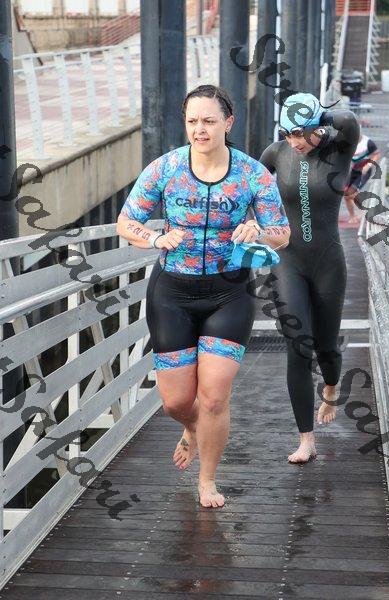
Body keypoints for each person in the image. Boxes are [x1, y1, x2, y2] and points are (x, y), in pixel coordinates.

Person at [116, 84, 290, 508]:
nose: (200, 129)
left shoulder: (252, 174)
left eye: (209, 121)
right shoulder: (165, 169)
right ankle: (192, 428)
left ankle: (207, 480)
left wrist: (258, 230)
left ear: (228, 123)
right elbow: (126, 221)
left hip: (229, 292)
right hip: (172, 292)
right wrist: (154, 238)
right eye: (192, 121)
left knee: (213, 396)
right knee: (176, 401)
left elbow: (282, 233)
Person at [259, 92, 360, 464]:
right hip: (288, 261)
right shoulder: (276, 154)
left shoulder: (339, 150)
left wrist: (318, 114)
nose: (294, 141)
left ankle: (331, 385)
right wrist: (254, 222)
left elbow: (348, 120)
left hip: (328, 262)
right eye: (287, 133)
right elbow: (247, 187)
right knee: (298, 345)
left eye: (299, 133)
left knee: (326, 348)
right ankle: (306, 439)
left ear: (318, 126)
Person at [344, 131, 381, 223]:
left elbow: (377, 154)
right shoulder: (348, 142)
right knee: (346, 195)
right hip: (354, 170)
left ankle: (368, 209)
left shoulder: (368, 142)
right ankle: (353, 216)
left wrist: (368, 165)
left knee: (350, 193)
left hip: (364, 172)